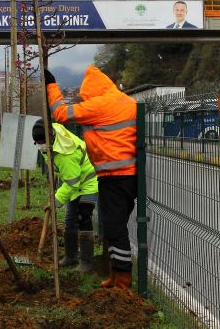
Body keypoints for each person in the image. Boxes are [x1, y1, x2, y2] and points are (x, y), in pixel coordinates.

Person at [44, 65, 137, 290]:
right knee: (115, 228)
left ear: (92, 90)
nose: (84, 100)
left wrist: (51, 86)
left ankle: (122, 282)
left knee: (115, 229)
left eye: (85, 96)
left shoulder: (102, 104)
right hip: (123, 175)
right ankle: (115, 275)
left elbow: (61, 113)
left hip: (116, 176)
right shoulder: (126, 101)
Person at [32, 119, 98, 272]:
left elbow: (72, 183)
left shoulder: (66, 153)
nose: (40, 145)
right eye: (38, 142)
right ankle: (70, 257)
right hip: (73, 181)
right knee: (70, 220)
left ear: (51, 137)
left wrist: (55, 201)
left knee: (83, 217)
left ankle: (86, 263)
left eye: (42, 142)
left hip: (88, 183)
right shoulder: (50, 135)